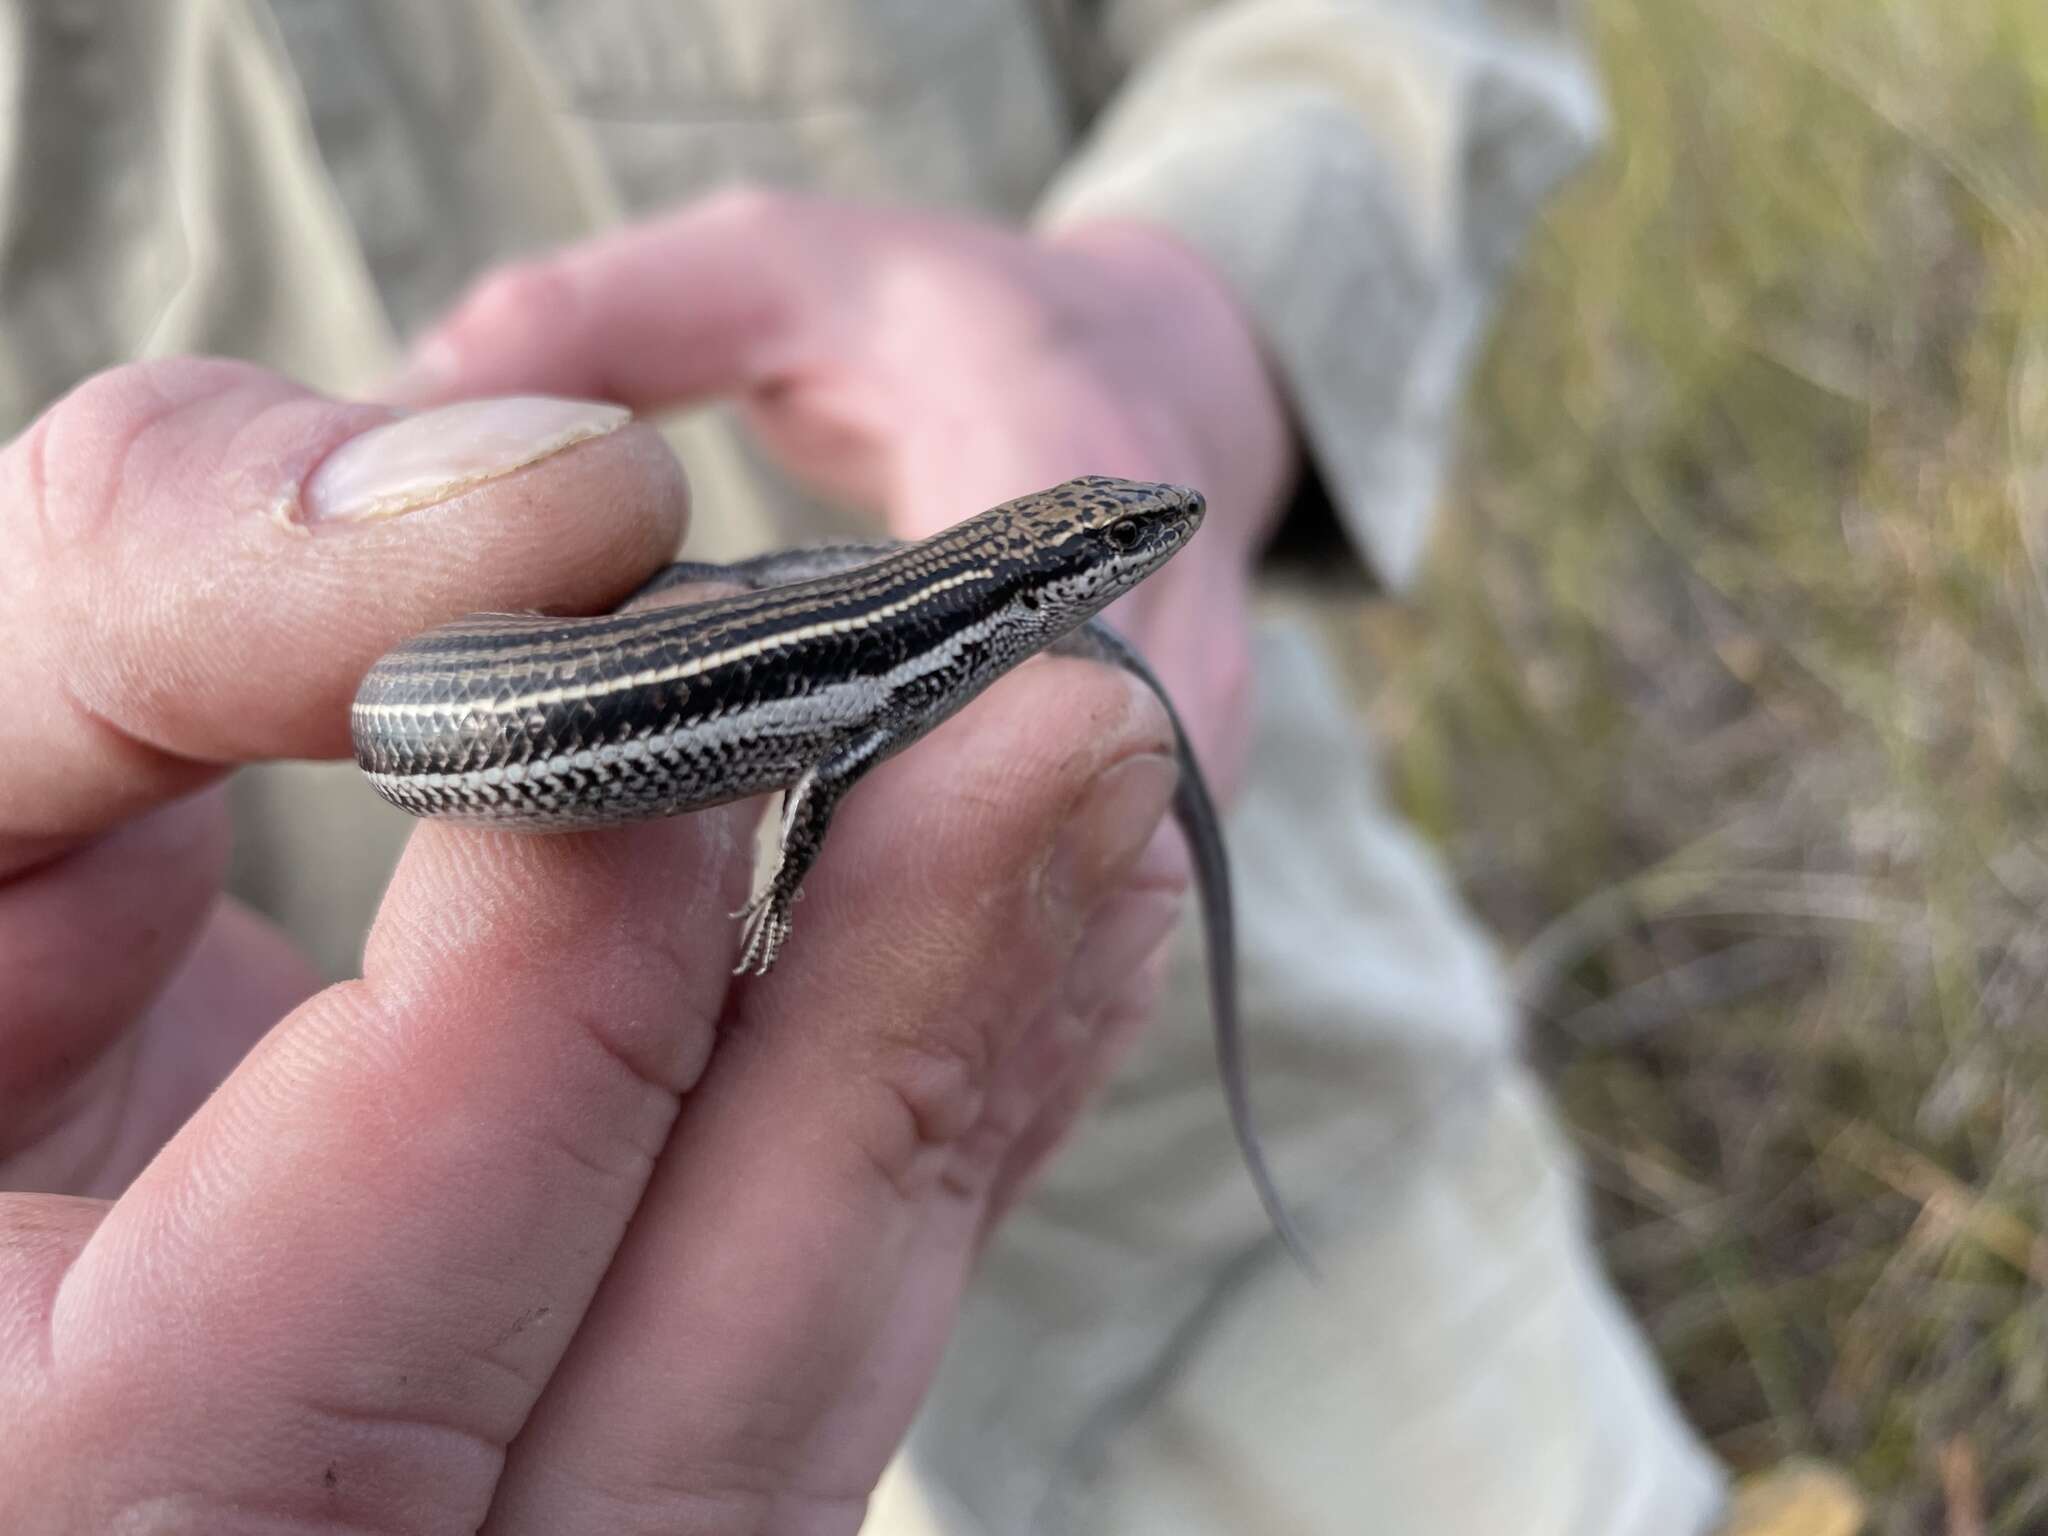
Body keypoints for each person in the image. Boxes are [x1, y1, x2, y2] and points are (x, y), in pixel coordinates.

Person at [0, 3, 1728, 1532]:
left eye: (1124, 544)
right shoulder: (915, 652)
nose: (1142, 551)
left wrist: (1180, 314)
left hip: (1263, 1221)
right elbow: (819, 781)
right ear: (1043, 582)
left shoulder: (936, 648)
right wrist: (769, 918)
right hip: (425, 1116)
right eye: (1116, 544)